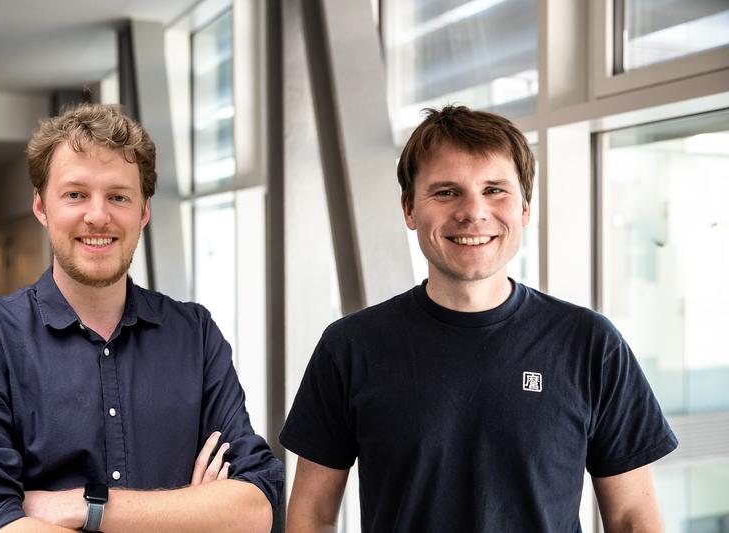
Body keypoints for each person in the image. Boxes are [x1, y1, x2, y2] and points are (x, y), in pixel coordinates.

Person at [279, 105, 677, 532]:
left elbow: (633, 518)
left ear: (524, 208)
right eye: (446, 192)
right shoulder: (350, 347)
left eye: (494, 190)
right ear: (409, 209)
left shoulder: (589, 344)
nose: (473, 212)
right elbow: (312, 515)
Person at [0, 104, 283, 532]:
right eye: (75, 194)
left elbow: (257, 507)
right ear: (41, 206)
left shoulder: (196, 335)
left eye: (118, 196)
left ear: (144, 212)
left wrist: (85, 507)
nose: (98, 215)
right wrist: (187, 512)